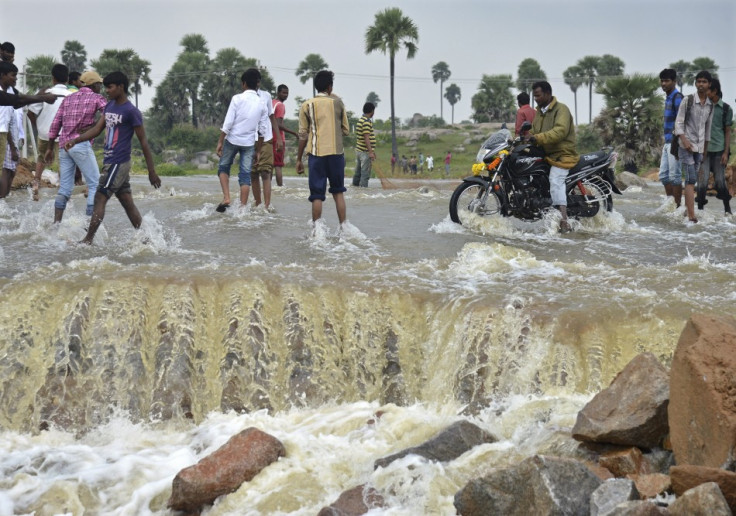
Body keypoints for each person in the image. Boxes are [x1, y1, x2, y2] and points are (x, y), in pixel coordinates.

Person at [65, 72, 161, 244]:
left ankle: (88, 239)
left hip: (119, 162)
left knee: (100, 196)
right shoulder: (109, 106)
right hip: (110, 161)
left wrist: (151, 172)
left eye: (110, 87)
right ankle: (147, 240)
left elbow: (144, 143)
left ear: (121, 87)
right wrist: (76, 140)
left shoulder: (131, 112)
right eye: (105, 87)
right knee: (126, 201)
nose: (106, 91)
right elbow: (96, 129)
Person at [46, 70, 106, 222]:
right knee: (94, 184)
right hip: (80, 144)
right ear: (95, 85)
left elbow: (55, 124)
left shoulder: (68, 98)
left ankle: (56, 223)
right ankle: (88, 224)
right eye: (100, 84)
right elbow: (109, 115)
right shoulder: (97, 97)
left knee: (65, 188)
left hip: (64, 146)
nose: (101, 87)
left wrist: (49, 148)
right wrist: (94, 126)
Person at [296, 70, 349, 225]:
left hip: (316, 154)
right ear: (330, 87)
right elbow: (345, 130)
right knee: (338, 192)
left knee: (317, 195)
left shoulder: (307, 105)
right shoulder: (338, 103)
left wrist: (299, 159)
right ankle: (343, 229)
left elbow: (303, 135)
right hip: (336, 154)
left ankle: (316, 232)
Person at [214, 68, 269, 212]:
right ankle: (242, 208)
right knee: (245, 175)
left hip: (232, 140)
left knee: (223, 167)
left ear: (243, 84)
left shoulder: (237, 99)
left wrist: (220, 141)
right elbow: (262, 130)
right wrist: (258, 150)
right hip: (249, 143)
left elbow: (228, 123)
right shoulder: (262, 103)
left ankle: (226, 197)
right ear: (257, 84)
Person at [528, 80, 579, 233]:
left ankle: (564, 220)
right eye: (534, 96)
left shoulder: (561, 109)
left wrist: (537, 138)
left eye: (538, 95)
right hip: (546, 154)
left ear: (548, 94)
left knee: (555, 180)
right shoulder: (539, 112)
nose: (536, 99)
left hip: (562, 154)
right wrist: (520, 139)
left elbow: (560, 131)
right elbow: (534, 130)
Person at [673, 71, 714, 223]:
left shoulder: (710, 105)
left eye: (704, 82)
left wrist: (705, 151)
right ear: (695, 83)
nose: (701, 84)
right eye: (699, 81)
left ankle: (687, 210)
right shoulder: (688, 100)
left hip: (700, 148)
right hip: (685, 146)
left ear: (709, 84)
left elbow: (708, 130)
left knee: (693, 179)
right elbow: (679, 123)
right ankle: (692, 216)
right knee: (690, 179)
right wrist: (685, 141)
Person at [27, 63, 72, 201]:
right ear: (67, 79)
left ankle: (36, 182)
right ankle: (62, 190)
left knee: (41, 158)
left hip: (45, 132)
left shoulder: (45, 94)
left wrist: (39, 126)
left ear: (53, 78)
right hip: (63, 135)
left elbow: (30, 112)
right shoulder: (71, 95)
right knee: (63, 161)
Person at [696, 77, 731, 214]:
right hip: (703, 152)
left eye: (708, 89)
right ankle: (700, 212)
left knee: (720, 182)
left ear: (714, 91)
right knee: (702, 182)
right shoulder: (702, 106)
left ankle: (727, 211)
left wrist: (726, 153)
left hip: (719, 151)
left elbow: (727, 132)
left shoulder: (726, 109)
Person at [250, 72, 283, 211]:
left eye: (257, 81)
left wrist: (279, 138)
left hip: (267, 139)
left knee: (266, 171)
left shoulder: (266, 96)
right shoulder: (244, 97)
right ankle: (258, 204)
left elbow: (272, 117)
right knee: (253, 173)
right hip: (250, 139)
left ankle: (267, 205)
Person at [658, 68, 685, 207]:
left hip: (676, 142)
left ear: (674, 82)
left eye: (667, 81)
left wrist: (682, 140)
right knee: (663, 175)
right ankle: (671, 205)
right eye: (662, 81)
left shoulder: (677, 97)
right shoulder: (668, 98)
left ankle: (678, 206)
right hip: (668, 141)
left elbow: (683, 120)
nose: (663, 84)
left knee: (675, 177)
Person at [0, 62, 20, 198]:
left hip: (10, 137)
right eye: (13, 75)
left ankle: (3, 203)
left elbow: (9, 121)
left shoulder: (11, 92)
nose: (15, 79)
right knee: (5, 172)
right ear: (3, 75)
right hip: (4, 136)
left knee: (10, 171)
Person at [272, 84, 297, 187]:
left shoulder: (271, 103)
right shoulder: (280, 105)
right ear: (278, 93)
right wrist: (293, 133)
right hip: (278, 139)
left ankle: (267, 188)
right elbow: (278, 124)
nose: (285, 95)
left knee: (269, 166)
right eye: (283, 93)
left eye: (287, 93)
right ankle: (280, 188)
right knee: (278, 165)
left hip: (267, 138)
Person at [352, 101, 376, 188]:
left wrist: (372, 151)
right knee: (365, 173)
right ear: (372, 111)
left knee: (358, 172)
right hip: (365, 152)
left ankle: (355, 188)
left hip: (359, 150)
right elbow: (367, 138)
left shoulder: (360, 120)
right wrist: (370, 152)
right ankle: (363, 191)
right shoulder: (366, 122)